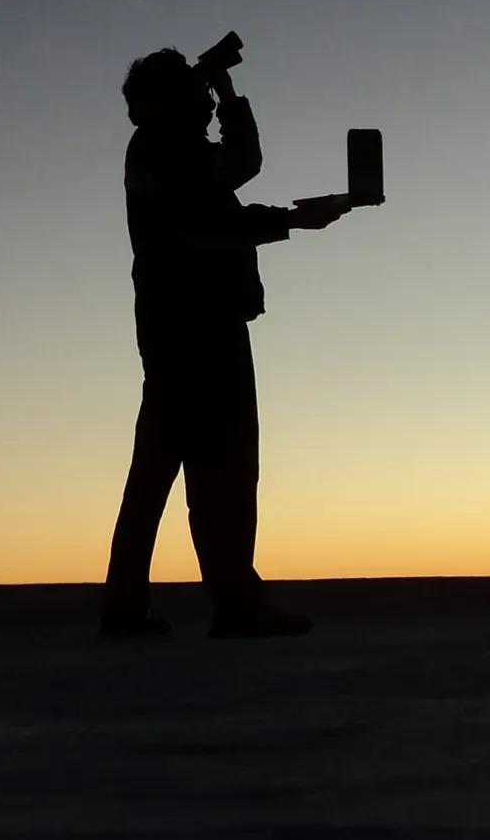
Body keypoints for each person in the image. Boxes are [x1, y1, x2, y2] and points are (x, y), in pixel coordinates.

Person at [100, 46, 347, 638]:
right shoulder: (165, 153)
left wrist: (226, 88)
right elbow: (207, 226)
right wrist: (292, 222)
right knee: (222, 470)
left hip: (183, 329)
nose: (208, 102)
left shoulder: (171, 150)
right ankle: (230, 605)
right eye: (198, 93)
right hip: (196, 329)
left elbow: (243, 160)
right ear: (174, 101)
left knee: (167, 471)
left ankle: (139, 608)